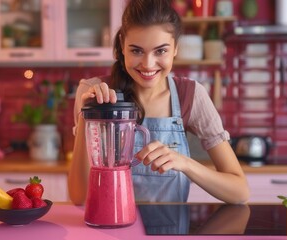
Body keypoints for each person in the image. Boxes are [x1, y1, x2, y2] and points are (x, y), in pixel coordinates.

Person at [68, 0, 249, 204]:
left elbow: (240, 192)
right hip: (111, 234)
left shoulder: (190, 95)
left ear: (175, 49)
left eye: (160, 51)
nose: (148, 64)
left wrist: (185, 163)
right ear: (122, 46)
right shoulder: (92, 92)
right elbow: (79, 197)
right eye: (136, 50)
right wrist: (89, 115)